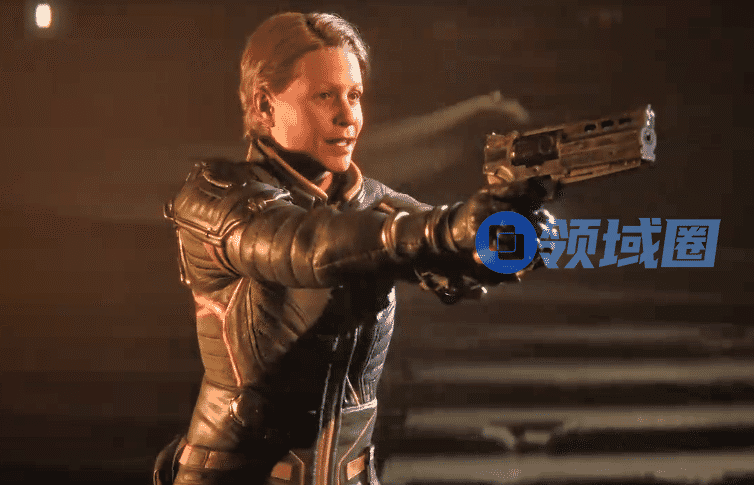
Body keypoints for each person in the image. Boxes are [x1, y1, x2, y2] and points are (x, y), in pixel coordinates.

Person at [154, 11, 546, 485]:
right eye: (325, 96)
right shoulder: (215, 197)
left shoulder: (375, 203)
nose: (348, 116)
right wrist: (445, 229)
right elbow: (307, 247)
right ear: (264, 105)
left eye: (354, 95)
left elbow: (453, 251)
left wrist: (512, 236)